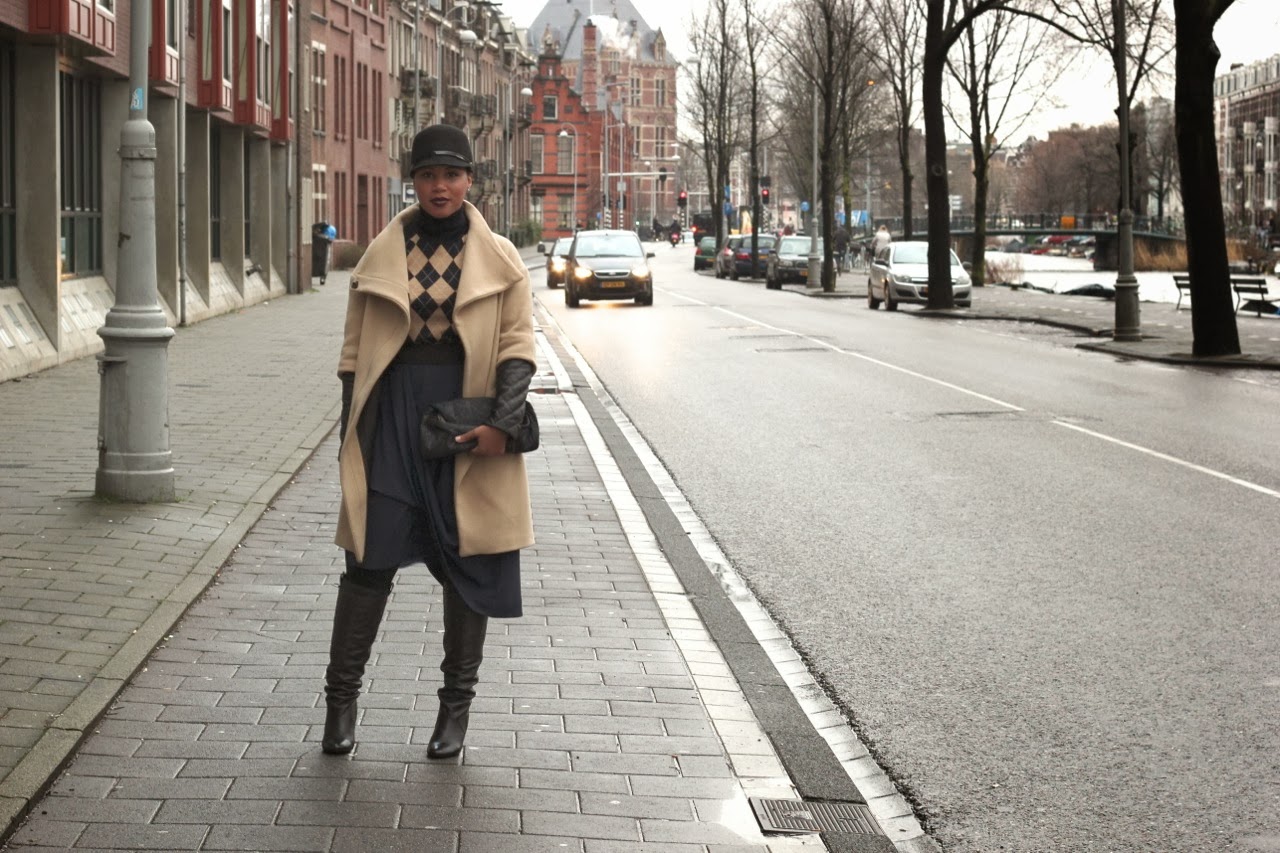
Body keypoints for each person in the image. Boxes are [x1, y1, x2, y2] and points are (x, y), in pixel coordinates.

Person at [324, 124, 537, 760]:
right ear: (412, 180)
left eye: (451, 174)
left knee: (469, 563)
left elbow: (517, 347)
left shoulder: (501, 258)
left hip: (466, 420)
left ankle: (455, 712)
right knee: (368, 559)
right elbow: (353, 354)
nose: (439, 187)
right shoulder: (382, 255)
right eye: (426, 175)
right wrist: (352, 434)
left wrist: (502, 425)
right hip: (392, 416)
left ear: (471, 180)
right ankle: (340, 702)